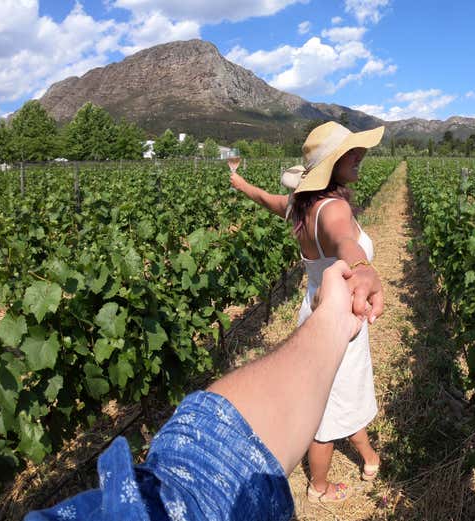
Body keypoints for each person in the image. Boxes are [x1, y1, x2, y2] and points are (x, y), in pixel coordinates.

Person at [26, 261, 373, 521]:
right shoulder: (331, 210)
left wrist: (333, 318)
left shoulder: (299, 208)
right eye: (350, 159)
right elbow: (210, 475)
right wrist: (339, 310)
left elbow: (212, 470)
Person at [229, 121, 385, 502]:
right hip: (338, 317)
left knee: (339, 391)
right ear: (332, 164)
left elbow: (267, 199)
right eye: (352, 152)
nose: (360, 156)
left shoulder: (300, 207)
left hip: (312, 307)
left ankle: (367, 456)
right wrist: (363, 269)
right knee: (328, 405)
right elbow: (344, 240)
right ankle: (319, 486)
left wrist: (239, 182)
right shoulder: (333, 209)